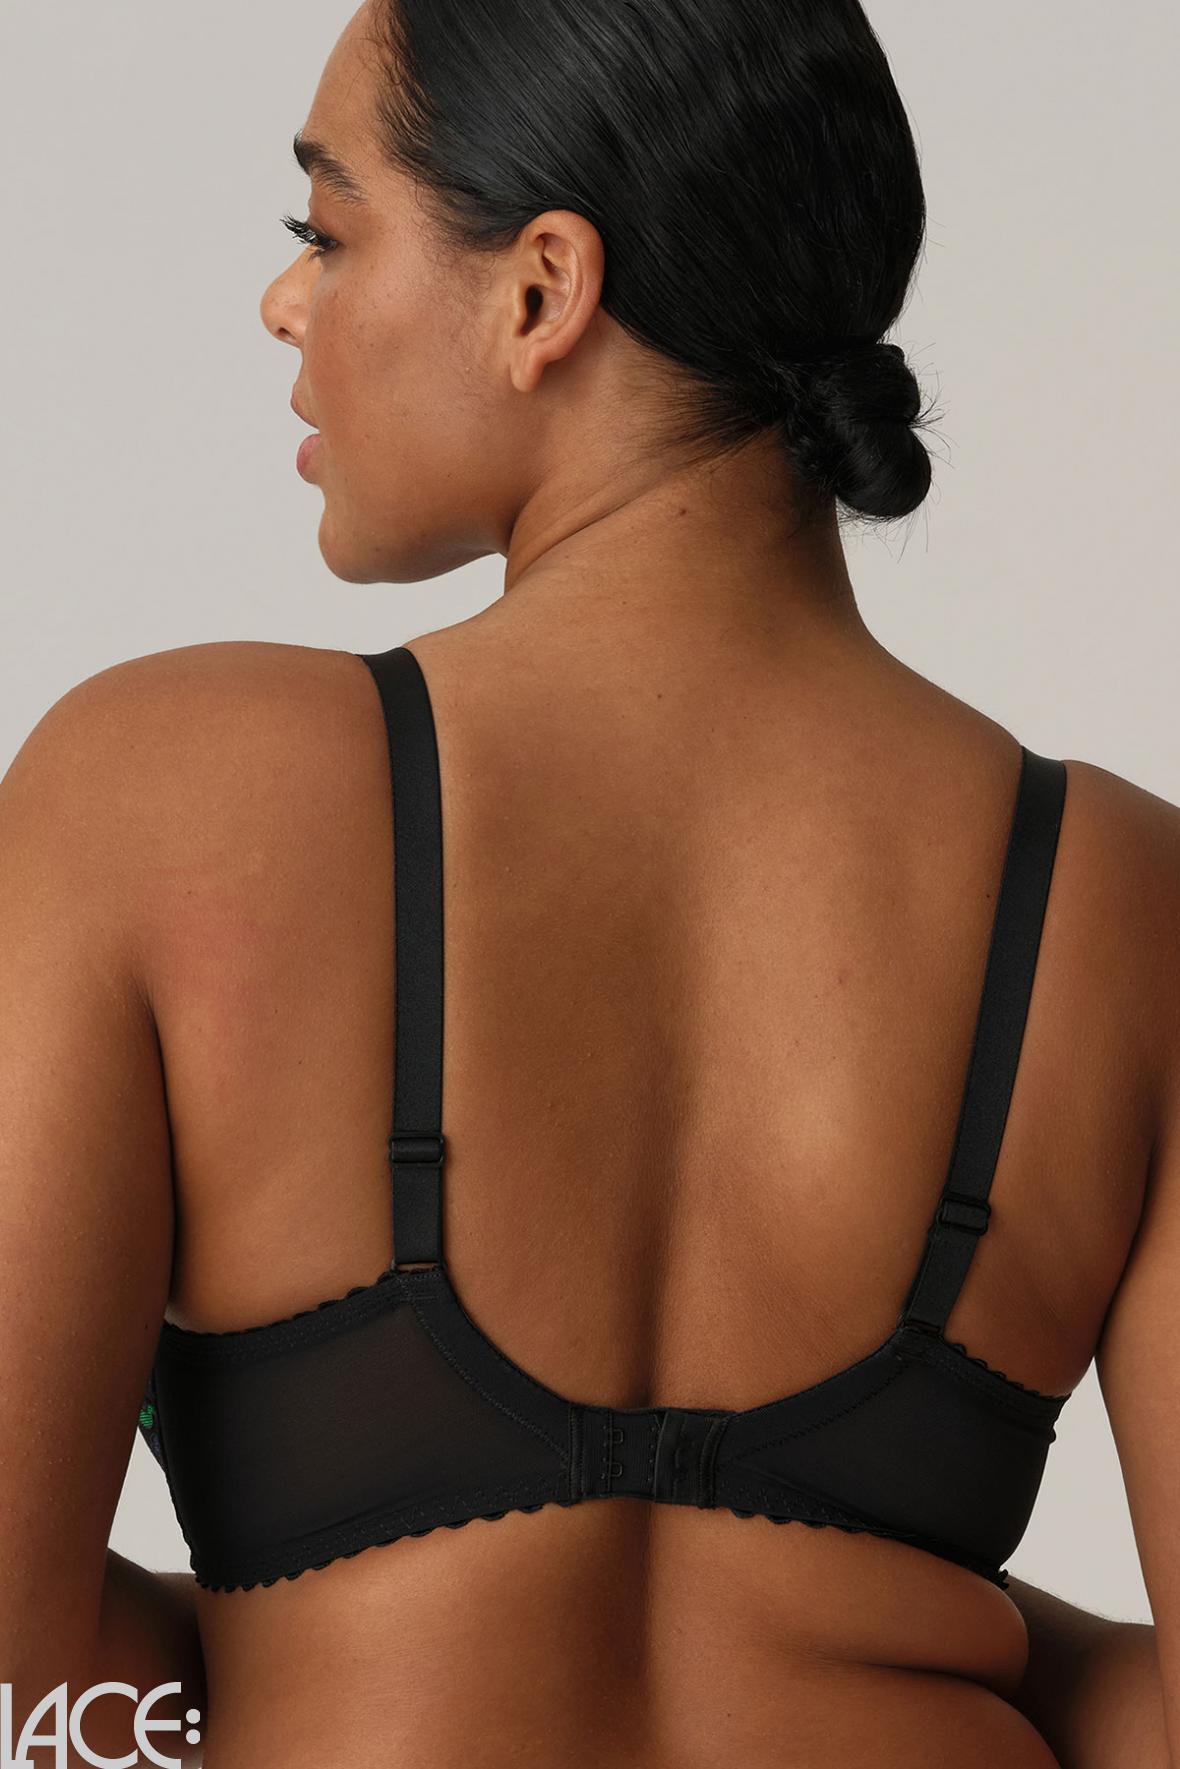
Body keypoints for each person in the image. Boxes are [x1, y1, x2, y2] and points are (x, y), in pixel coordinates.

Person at [2, 1, 1175, 1765]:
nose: (286, 302)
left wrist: (301, 1680)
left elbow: (16, 1670)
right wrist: (932, 1644)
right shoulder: (1122, 903)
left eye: (329, 229)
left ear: (543, 289)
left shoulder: (156, 797)